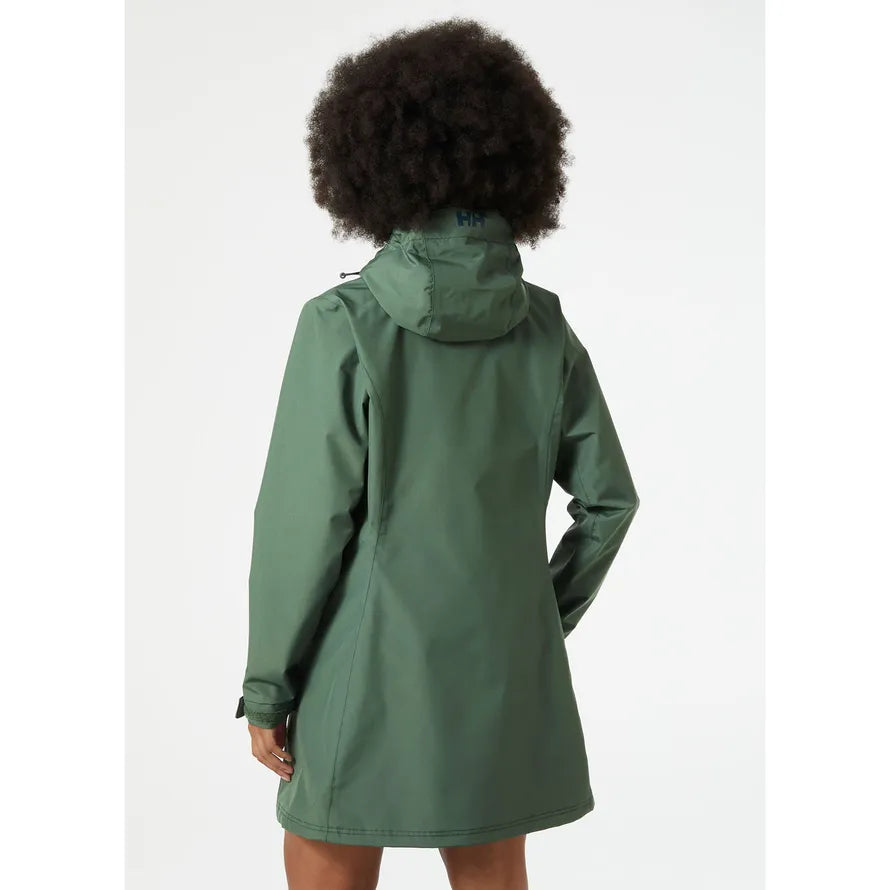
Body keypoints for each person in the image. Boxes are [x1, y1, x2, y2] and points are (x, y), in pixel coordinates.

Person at [236, 17, 640, 890]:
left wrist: (268, 689)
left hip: (362, 669)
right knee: (491, 854)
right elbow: (610, 502)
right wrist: (535, 616)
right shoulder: (544, 327)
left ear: (371, 163)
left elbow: (302, 525)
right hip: (502, 672)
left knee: (332, 841)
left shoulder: (342, 324)